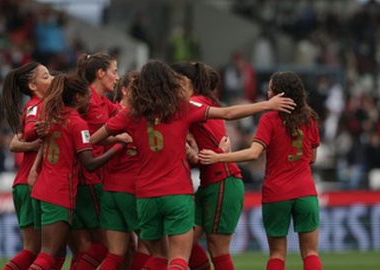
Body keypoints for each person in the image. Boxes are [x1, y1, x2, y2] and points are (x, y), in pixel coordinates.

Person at [90, 60, 295, 270]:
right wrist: (267, 105)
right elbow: (228, 113)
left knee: (159, 256)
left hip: (145, 196)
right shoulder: (181, 108)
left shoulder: (130, 114)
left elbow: (93, 139)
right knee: (179, 258)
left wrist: (121, 139)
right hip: (177, 193)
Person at [199, 71, 322, 270]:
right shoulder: (310, 119)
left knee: (276, 254)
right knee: (310, 253)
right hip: (305, 192)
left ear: (279, 94)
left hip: (277, 193)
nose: (267, 91)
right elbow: (313, 158)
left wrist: (219, 157)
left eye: (270, 88)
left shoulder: (270, 119)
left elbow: (254, 153)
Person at [28, 74, 124, 270]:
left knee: (57, 255)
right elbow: (89, 163)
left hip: (41, 191)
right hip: (59, 192)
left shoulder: (49, 117)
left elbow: (28, 134)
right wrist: (118, 147)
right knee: (48, 255)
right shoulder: (77, 123)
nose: (91, 100)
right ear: (79, 97)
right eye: (88, 96)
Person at [170, 61, 244, 270]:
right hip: (210, 180)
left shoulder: (193, 104)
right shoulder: (203, 102)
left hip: (223, 180)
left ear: (184, 82)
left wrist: (267, 105)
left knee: (217, 249)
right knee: (184, 241)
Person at [1, 61, 57, 270]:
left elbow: (16, 142)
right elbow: (31, 129)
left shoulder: (36, 106)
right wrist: (35, 136)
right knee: (38, 250)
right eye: (45, 76)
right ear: (33, 86)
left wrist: (29, 143)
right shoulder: (36, 106)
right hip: (32, 184)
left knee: (37, 250)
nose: (51, 79)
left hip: (26, 184)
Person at [69, 52, 120, 270]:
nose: (117, 78)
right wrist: (119, 141)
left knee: (85, 249)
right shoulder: (84, 99)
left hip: (91, 178)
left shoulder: (103, 101)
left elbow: (124, 115)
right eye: (114, 72)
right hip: (87, 179)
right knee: (110, 246)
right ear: (100, 73)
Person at [97, 70, 151, 270]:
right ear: (126, 90)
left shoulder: (111, 113)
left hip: (110, 190)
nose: (144, 91)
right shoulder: (133, 117)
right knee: (153, 247)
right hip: (131, 190)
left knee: (115, 254)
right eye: (139, 87)